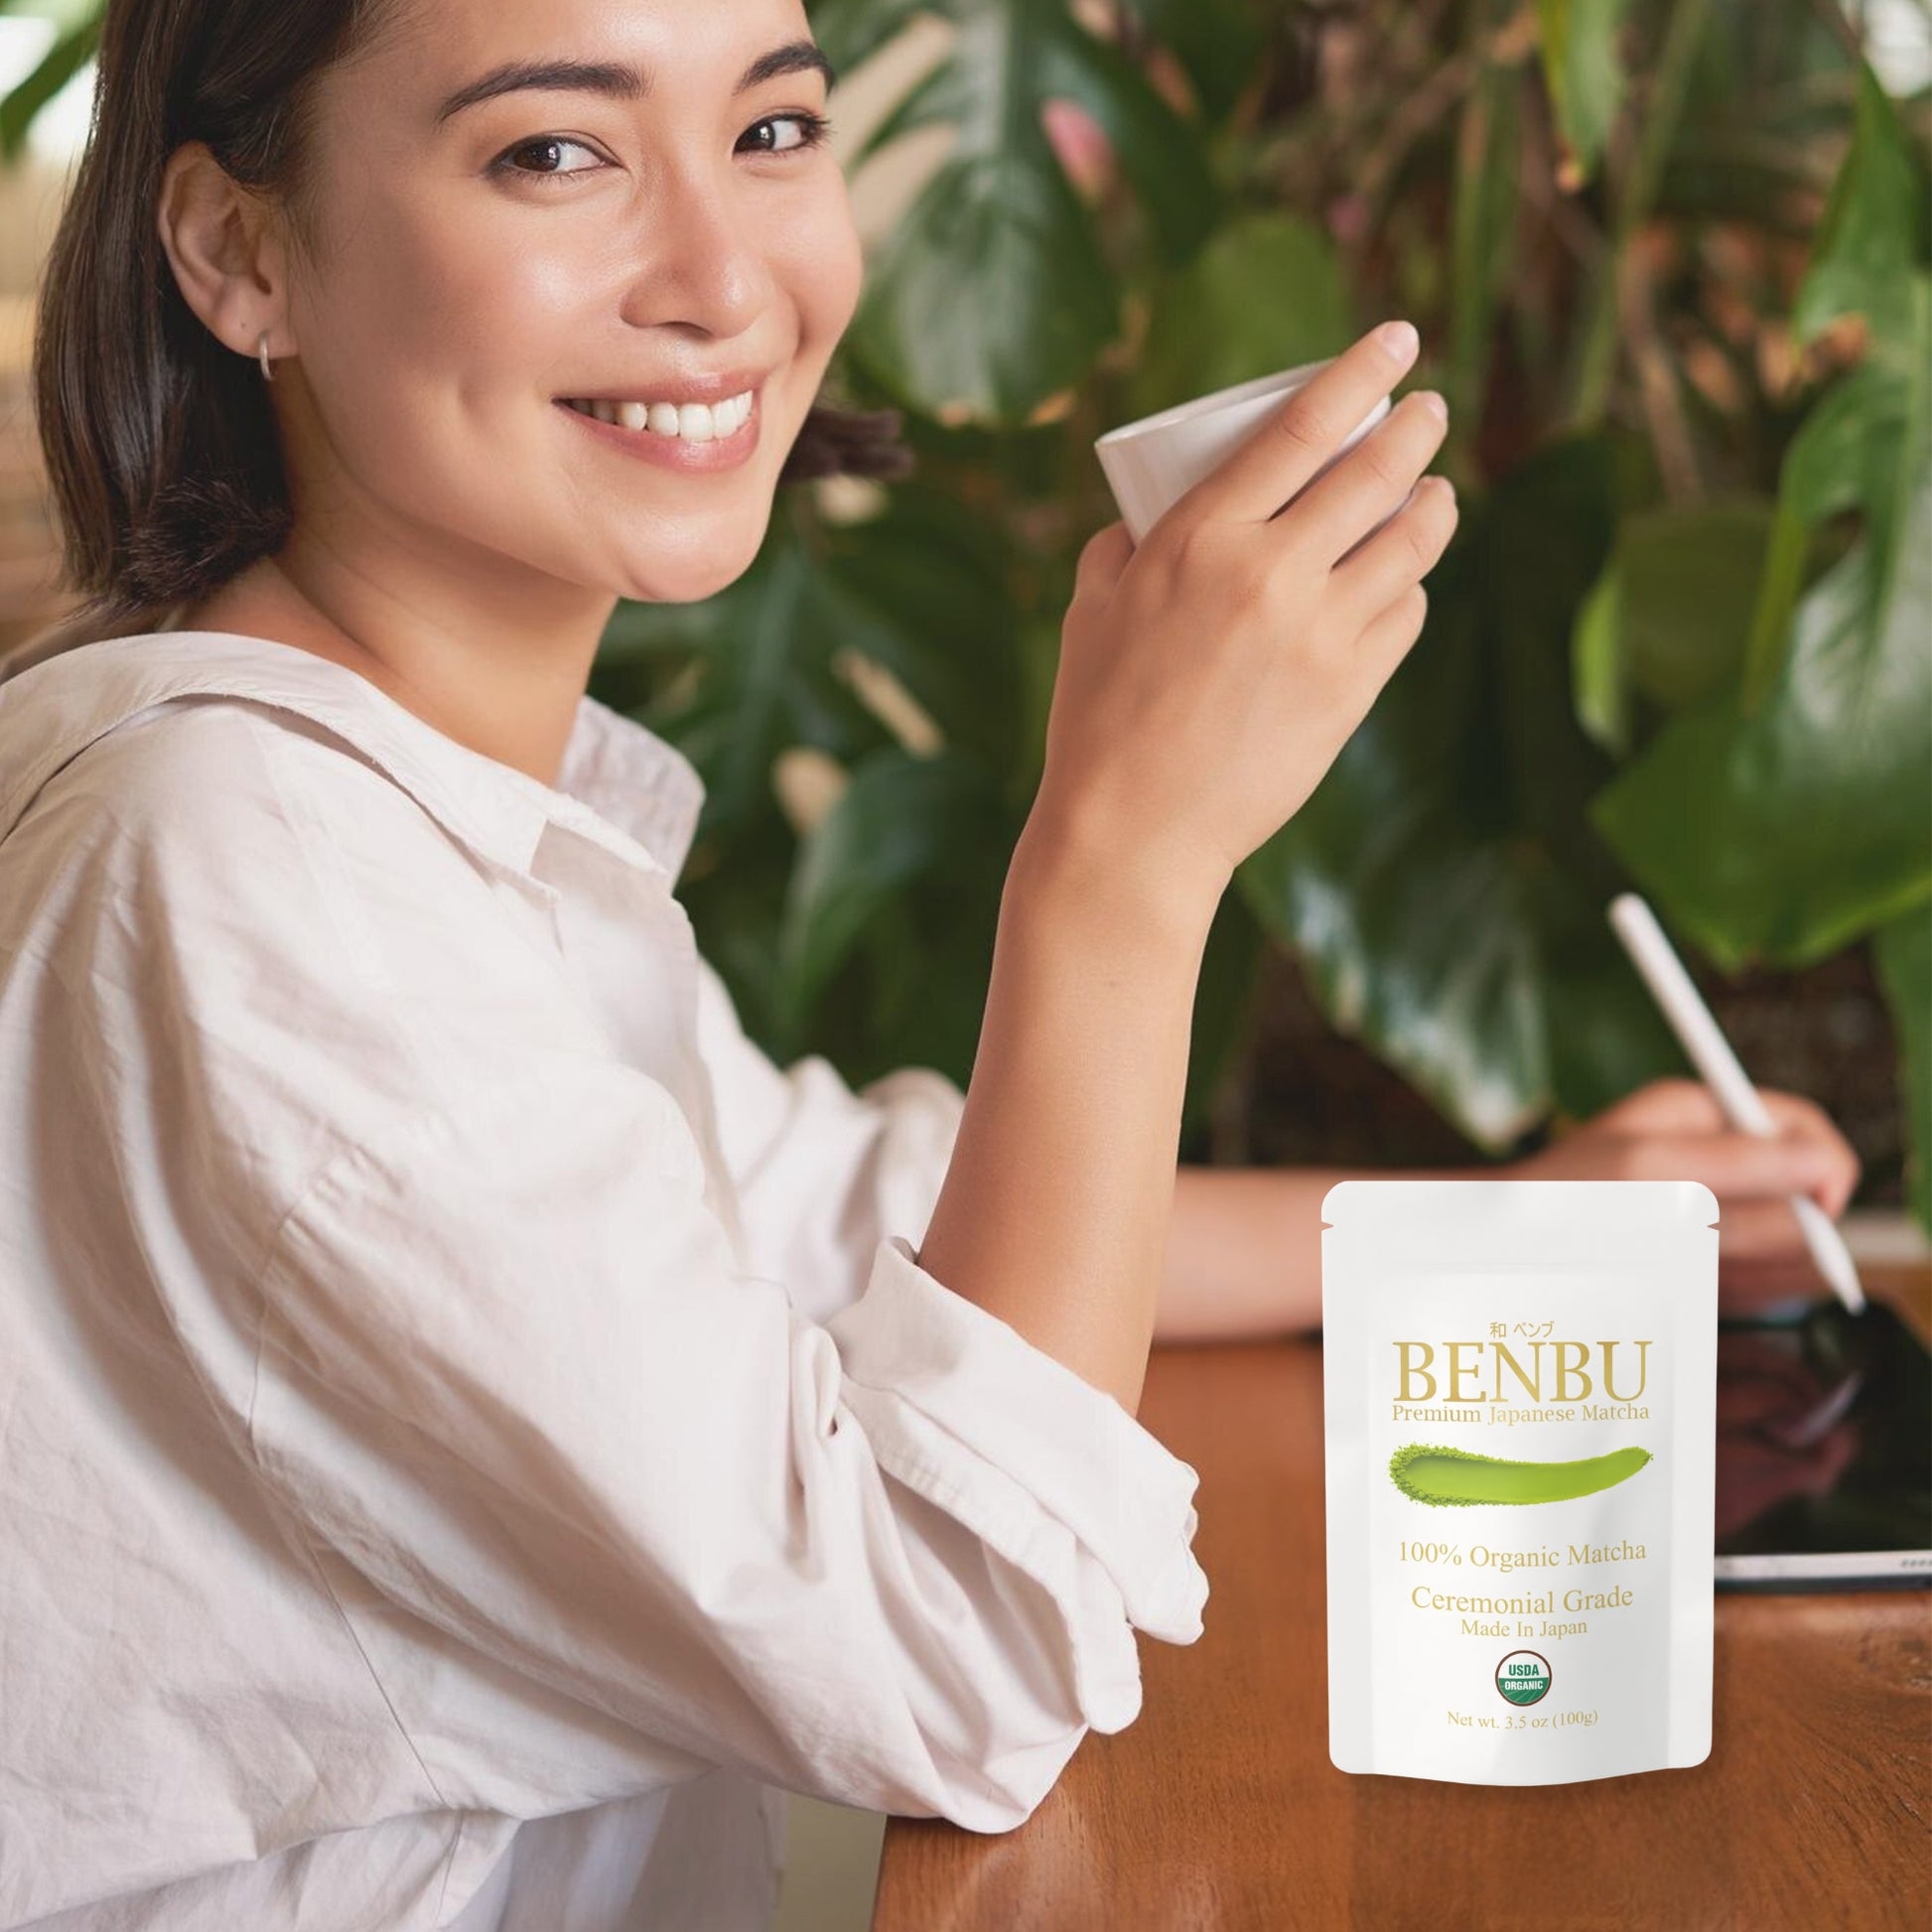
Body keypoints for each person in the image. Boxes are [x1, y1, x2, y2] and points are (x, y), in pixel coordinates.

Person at [0, 0, 1860, 1926]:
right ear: (237, 251)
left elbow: (832, 1212)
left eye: (776, 132)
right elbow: (956, 1661)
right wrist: (1122, 863)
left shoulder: (366, 795)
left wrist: (1484, 1219)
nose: (723, 279)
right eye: (556, 153)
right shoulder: (251, 871)